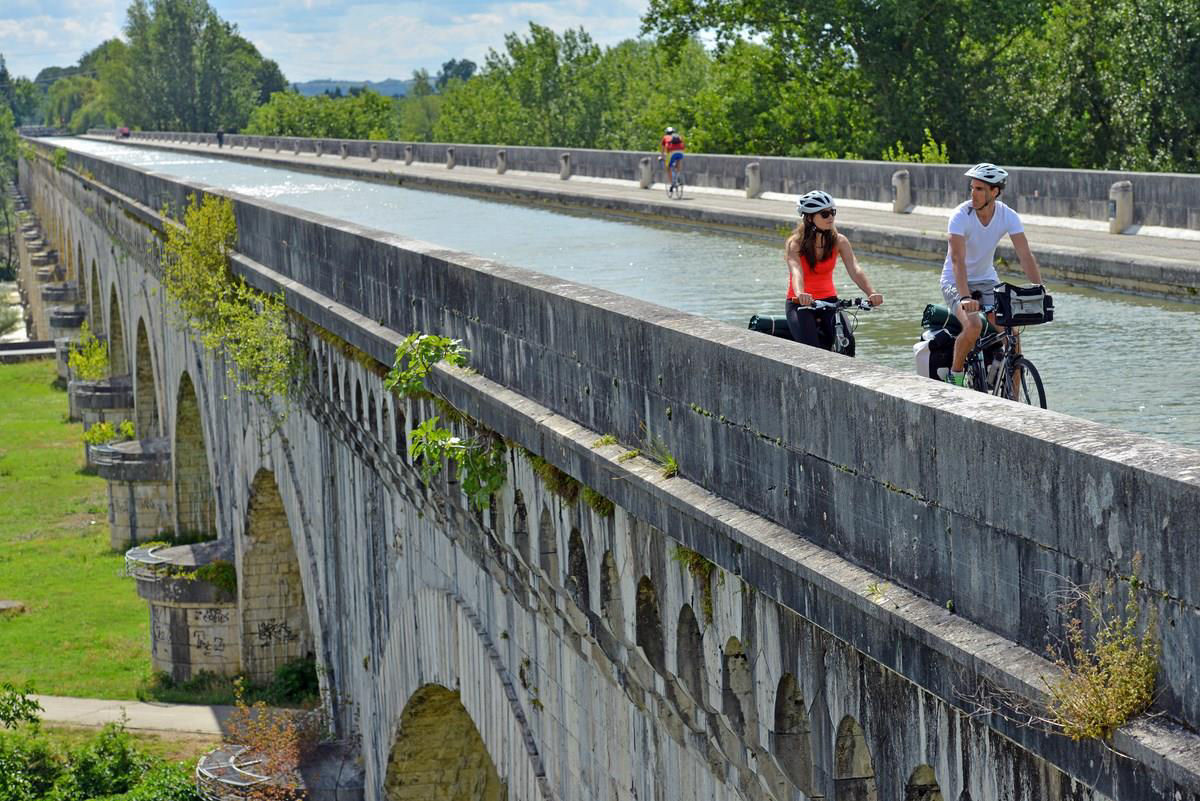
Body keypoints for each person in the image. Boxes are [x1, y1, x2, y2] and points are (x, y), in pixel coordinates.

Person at [941, 163, 1043, 385]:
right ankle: (955, 375)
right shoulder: (960, 215)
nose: (973, 194)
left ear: (995, 191)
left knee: (1012, 334)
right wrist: (966, 296)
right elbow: (957, 260)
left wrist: (1039, 288)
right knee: (974, 326)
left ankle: (1013, 400)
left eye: (979, 189)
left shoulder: (1008, 216)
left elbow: (1025, 255)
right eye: (972, 188)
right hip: (955, 280)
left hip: (987, 279)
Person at [785, 190, 883, 353]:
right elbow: (796, 272)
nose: (830, 217)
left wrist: (871, 292)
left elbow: (854, 269)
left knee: (848, 344)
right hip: (800, 303)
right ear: (809, 218)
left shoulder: (839, 241)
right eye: (824, 214)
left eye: (832, 212)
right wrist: (801, 294)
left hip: (830, 301)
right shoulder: (795, 243)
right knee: (811, 350)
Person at [658, 126, 685, 192]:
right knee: (678, 160)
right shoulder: (678, 136)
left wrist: (662, 156)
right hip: (681, 152)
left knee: (668, 167)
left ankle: (672, 183)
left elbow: (662, 149)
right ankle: (678, 175)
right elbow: (683, 145)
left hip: (671, 152)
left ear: (666, 132)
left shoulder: (665, 137)